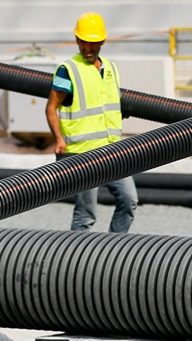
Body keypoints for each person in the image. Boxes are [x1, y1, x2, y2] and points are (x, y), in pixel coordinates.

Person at [45, 12, 138, 233]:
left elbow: (107, 103)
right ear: (77, 40)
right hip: (81, 154)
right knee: (86, 214)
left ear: (102, 42)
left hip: (113, 148)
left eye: (93, 43)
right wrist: (58, 139)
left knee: (129, 200)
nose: (88, 47)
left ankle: (112, 253)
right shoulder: (68, 71)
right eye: (84, 42)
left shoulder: (111, 69)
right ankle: (78, 262)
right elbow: (51, 108)